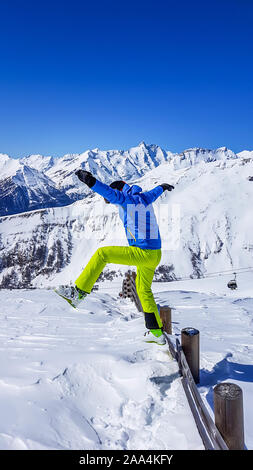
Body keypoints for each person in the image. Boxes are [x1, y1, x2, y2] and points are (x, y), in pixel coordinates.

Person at [55, 170, 174, 344]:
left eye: (111, 201)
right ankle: (157, 333)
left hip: (144, 252)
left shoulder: (128, 200)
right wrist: (162, 187)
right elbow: (154, 193)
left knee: (103, 254)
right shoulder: (143, 197)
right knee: (143, 290)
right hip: (155, 253)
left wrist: (90, 181)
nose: (111, 202)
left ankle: (78, 293)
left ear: (120, 191)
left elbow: (109, 193)